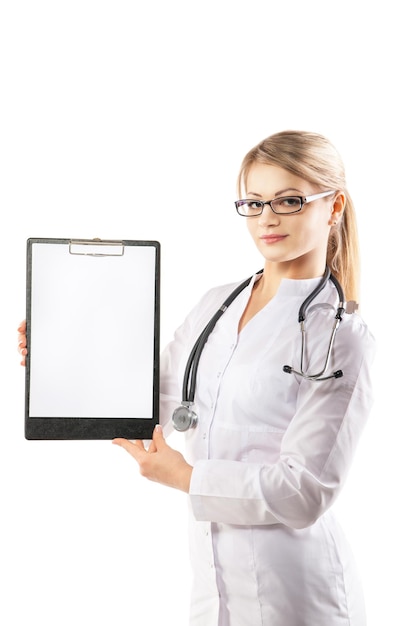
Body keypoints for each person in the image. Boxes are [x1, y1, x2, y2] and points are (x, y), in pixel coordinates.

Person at [18, 130, 375, 626]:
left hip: (297, 593)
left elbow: (305, 491)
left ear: (333, 206)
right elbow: (147, 405)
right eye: (253, 202)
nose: (267, 217)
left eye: (289, 200)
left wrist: (185, 477)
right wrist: (65, 356)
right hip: (212, 586)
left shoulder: (340, 337)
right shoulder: (216, 306)